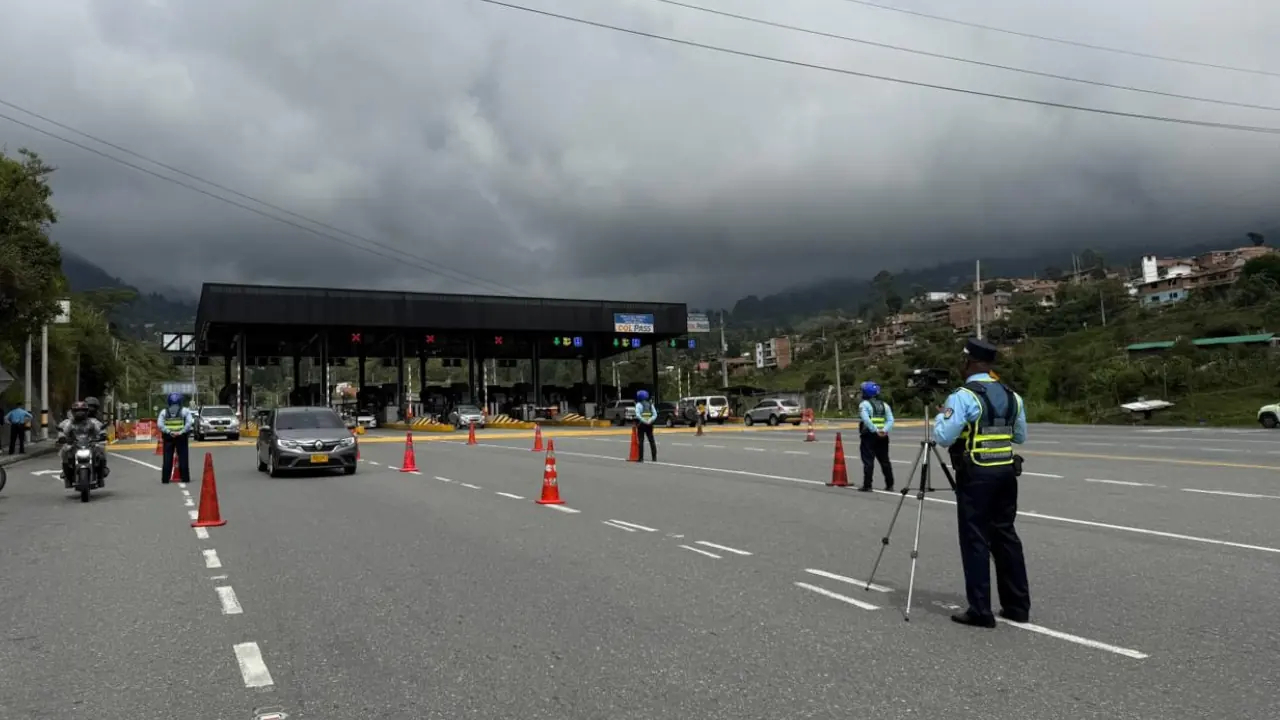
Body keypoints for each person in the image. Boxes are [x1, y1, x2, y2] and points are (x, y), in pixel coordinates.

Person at [932, 337, 1031, 628]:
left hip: (976, 474)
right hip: (1006, 474)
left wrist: (942, 418)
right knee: (1006, 536)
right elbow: (1020, 437)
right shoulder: (1012, 395)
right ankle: (1017, 606)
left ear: (970, 362)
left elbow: (943, 437)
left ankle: (980, 610)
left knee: (975, 539)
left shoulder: (963, 396)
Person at [57, 400, 108, 488]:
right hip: (74, 444)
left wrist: (102, 435)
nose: (80, 413)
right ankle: (66, 474)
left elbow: (100, 429)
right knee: (64, 450)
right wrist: (62, 438)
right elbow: (62, 431)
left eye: (82, 410)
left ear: (87, 411)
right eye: (77, 411)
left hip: (89, 443)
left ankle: (101, 474)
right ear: (73, 412)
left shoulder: (92, 422)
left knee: (101, 449)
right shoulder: (68, 423)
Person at [857, 381, 896, 492]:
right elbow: (890, 420)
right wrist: (884, 430)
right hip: (883, 436)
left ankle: (867, 485)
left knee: (868, 461)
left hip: (869, 435)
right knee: (885, 460)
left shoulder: (864, 404)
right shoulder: (884, 405)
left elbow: (866, 419)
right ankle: (890, 484)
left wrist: (875, 430)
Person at [157, 392, 195, 484]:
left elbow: (160, 425)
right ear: (180, 401)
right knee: (183, 457)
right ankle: (185, 478)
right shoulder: (185, 411)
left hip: (168, 437)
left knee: (167, 458)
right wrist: (181, 432)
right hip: (181, 437)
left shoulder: (164, 412)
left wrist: (169, 432)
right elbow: (190, 423)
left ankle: (165, 479)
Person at [633, 389, 659, 462]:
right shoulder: (651, 404)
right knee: (652, 441)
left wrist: (644, 421)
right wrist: (650, 420)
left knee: (641, 441)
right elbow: (655, 414)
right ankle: (654, 458)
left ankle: (641, 458)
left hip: (641, 425)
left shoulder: (638, 405)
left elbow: (638, 415)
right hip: (649, 425)